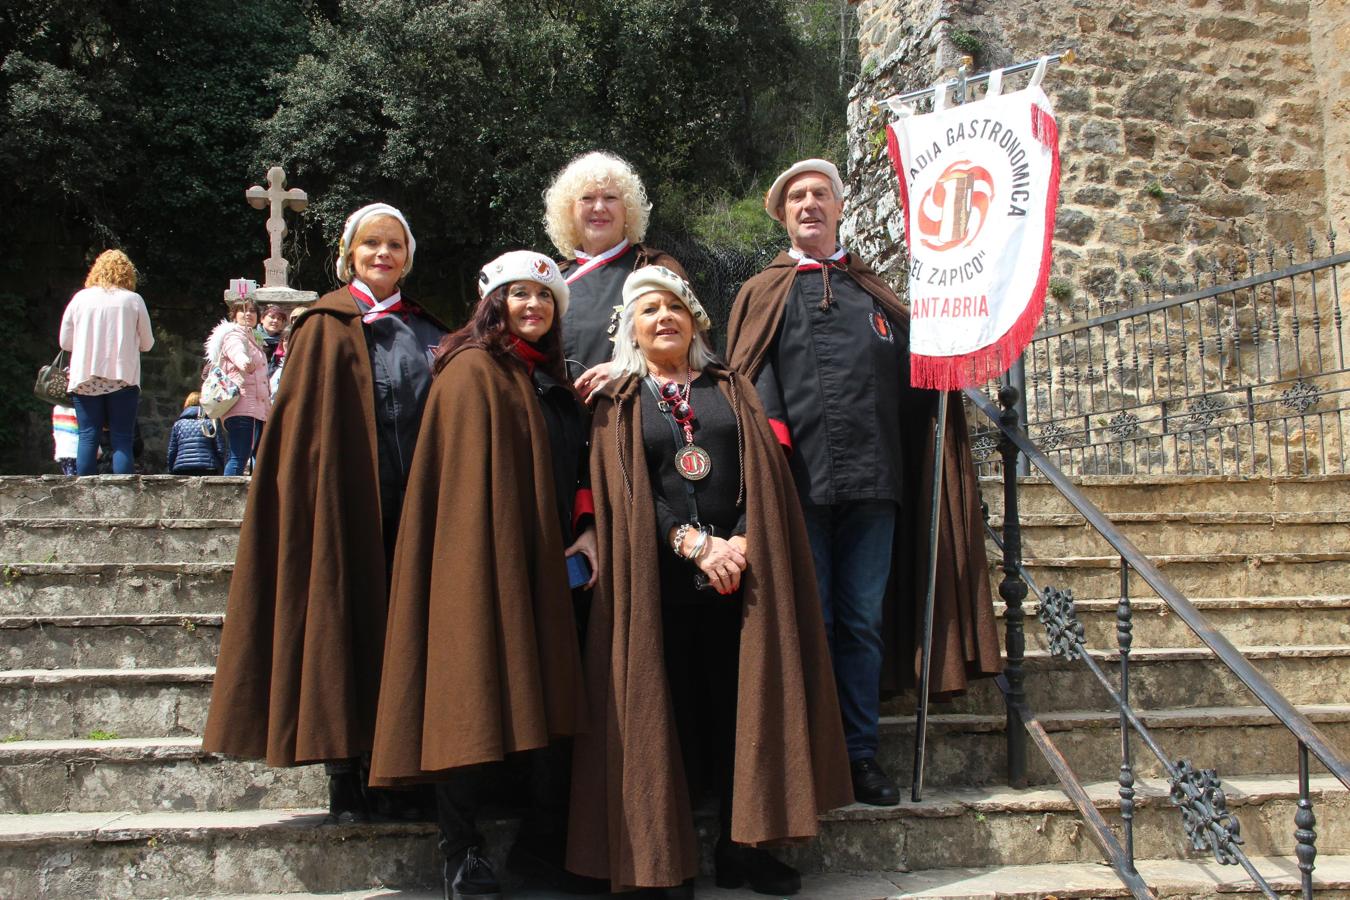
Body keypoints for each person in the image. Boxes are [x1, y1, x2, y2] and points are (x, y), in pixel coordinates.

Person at [568, 265, 852, 898]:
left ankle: (742, 848)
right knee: (661, 714)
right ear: (631, 330)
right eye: (648, 311)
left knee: (740, 712)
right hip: (656, 584)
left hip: (739, 581)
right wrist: (693, 544)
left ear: (694, 319)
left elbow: (764, 473)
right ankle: (660, 860)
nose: (663, 317)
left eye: (674, 307)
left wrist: (745, 541)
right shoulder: (619, 402)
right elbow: (627, 488)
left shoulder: (732, 387)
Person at [725, 159, 1003, 807]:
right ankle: (810, 758)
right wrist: (775, 446)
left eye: (820, 194)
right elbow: (745, 378)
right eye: (796, 198)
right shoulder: (762, 292)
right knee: (811, 618)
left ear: (840, 207)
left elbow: (916, 385)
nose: (809, 204)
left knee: (859, 621)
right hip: (797, 487)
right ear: (783, 215)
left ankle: (859, 755)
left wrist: (946, 361)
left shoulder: (875, 293)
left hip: (876, 485)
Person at [203, 202, 447, 825]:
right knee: (342, 626)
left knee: (403, 636)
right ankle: (346, 771)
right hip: (344, 505)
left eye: (395, 244)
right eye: (371, 243)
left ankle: (400, 771)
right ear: (350, 253)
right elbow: (302, 432)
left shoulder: (429, 332)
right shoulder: (324, 325)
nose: (383, 254)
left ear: (408, 257)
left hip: (413, 511)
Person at [370, 250, 595, 900]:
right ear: (495, 302)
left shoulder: (550, 379)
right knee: (466, 692)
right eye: (520, 295)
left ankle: (541, 847)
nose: (533, 306)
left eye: (545, 298)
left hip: (554, 568)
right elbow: (463, 484)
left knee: (553, 699)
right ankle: (461, 850)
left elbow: (578, 468)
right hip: (479, 566)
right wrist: (489, 555)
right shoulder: (471, 372)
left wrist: (584, 527)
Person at [542, 150, 685, 398]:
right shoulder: (553, 281)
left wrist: (628, 368)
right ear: (569, 211)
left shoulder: (655, 267)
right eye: (586, 198)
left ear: (627, 209)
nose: (599, 207)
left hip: (636, 414)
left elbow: (690, 348)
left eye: (610, 197)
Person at [58, 249, 154, 475]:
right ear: (127, 274)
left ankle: (85, 495)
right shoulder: (133, 300)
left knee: (88, 436)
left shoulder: (80, 298)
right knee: (122, 438)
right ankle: (121, 495)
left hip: (85, 377)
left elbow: (65, 342)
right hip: (122, 378)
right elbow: (147, 343)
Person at [205, 298, 272, 475]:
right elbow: (237, 352)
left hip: (256, 408)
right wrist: (244, 362)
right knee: (239, 456)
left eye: (253, 311)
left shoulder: (253, 338)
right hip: (242, 405)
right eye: (243, 311)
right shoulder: (234, 335)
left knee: (247, 455)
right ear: (234, 315)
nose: (248, 314)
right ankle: (227, 499)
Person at [165, 391, 227, 475]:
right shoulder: (211, 422)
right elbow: (220, 449)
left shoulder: (178, 425)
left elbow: (172, 451)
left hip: (182, 468)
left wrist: (171, 470)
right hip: (208, 467)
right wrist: (222, 468)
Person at [259, 304, 287, 378]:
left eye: (279, 319)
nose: (275, 321)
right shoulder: (252, 336)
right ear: (262, 319)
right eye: (272, 317)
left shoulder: (284, 340)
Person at [52, 405, 78, 475]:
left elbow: (56, 432)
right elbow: (85, 429)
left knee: (68, 477)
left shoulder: (56, 408)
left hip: (62, 451)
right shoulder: (75, 409)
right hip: (75, 450)